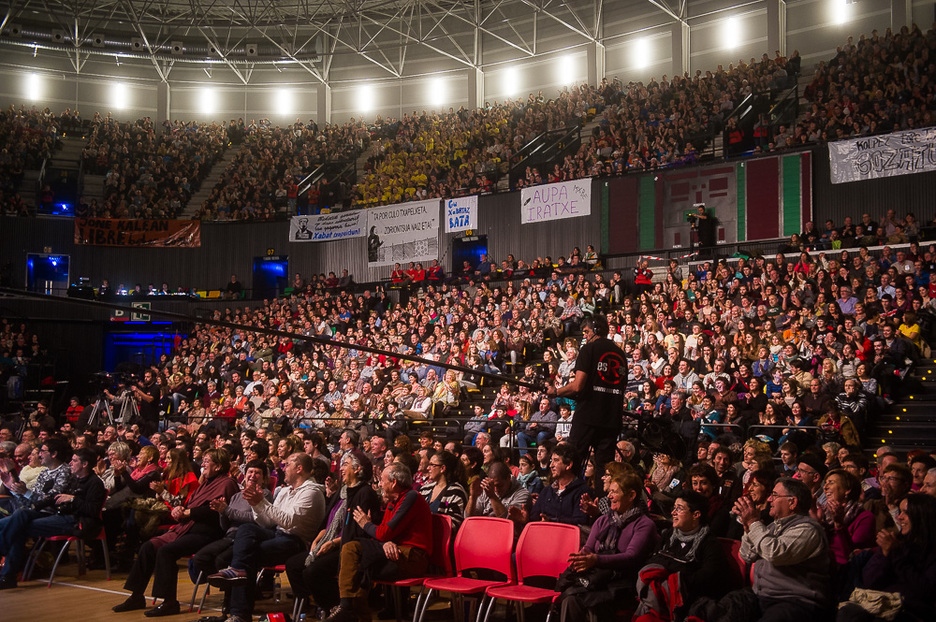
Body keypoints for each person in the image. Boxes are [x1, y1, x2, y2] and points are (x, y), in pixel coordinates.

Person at [113, 448, 239, 616]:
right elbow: (190, 505)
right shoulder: (206, 483)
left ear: (218, 466)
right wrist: (180, 510)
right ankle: (136, 596)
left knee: (166, 551)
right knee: (148, 547)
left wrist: (189, 513)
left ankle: (169, 602)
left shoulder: (227, 483)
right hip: (186, 528)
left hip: (207, 533)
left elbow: (216, 512)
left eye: (207, 461)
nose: (203, 465)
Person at [208, 452, 326, 622]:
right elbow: (266, 522)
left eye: (287, 465)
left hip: (296, 541)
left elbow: (288, 521)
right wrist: (256, 505)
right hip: (276, 534)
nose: (283, 469)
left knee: (244, 557)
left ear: (299, 469)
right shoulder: (285, 491)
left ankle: (239, 614)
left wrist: (261, 502)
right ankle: (238, 602)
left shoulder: (312, 492)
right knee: (247, 529)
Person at [324, 463, 432, 622]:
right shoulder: (393, 502)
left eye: (382, 480)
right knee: (356, 556)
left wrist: (366, 524)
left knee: (357, 556)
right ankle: (353, 612)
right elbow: (383, 535)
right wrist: (383, 542)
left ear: (394, 482)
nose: (379, 484)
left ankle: (349, 610)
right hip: (396, 553)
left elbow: (383, 533)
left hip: (413, 557)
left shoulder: (411, 497)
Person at [285, 450, 381, 618]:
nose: (341, 469)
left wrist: (332, 543)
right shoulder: (342, 491)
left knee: (313, 572)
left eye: (345, 464)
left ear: (357, 469)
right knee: (294, 565)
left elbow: (357, 532)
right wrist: (317, 539)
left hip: (348, 547)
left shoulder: (364, 493)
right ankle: (318, 605)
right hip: (329, 542)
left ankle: (339, 607)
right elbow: (327, 523)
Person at [0, 447, 105, 589]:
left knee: (20, 527)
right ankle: (7, 572)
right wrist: (32, 504)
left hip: (75, 521)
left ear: (85, 464)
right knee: (21, 515)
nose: (70, 464)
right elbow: (53, 499)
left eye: (74, 461)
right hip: (59, 514)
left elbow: (92, 510)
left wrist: (73, 500)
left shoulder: (95, 483)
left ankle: (7, 574)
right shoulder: (74, 480)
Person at [559, 472, 659, 622]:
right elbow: (589, 547)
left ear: (631, 495)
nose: (609, 496)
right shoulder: (603, 520)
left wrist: (595, 560)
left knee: (597, 605)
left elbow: (631, 557)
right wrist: (582, 557)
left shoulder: (644, 524)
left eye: (615, 492)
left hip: (623, 582)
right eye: (610, 491)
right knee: (570, 599)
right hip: (598, 579)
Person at [736, 477, 832, 621]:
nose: (769, 499)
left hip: (795, 600)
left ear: (792, 502)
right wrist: (748, 529)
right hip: (763, 596)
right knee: (725, 608)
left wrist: (753, 523)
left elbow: (774, 553)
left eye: (774, 495)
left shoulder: (808, 530)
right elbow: (747, 555)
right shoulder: (773, 527)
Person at [634, 490, 732, 621]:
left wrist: (672, 579)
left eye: (679, 509)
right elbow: (652, 560)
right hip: (658, 595)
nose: (673, 513)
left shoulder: (709, 543)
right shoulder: (669, 534)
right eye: (674, 508)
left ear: (696, 515)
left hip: (685, 603)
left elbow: (707, 578)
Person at [548, 315, 626, 478]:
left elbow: (577, 386)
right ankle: (601, 500)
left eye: (586, 332)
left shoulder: (588, 350)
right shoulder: (620, 354)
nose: (584, 336)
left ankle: (569, 498)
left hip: (589, 415)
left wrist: (556, 392)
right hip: (611, 418)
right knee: (604, 468)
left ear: (596, 330)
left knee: (573, 460)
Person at [837, 493, 936, 622]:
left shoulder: (930, 551)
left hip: (909, 611)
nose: (899, 517)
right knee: (849, 612)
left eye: (906, 513)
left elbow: (925, 590)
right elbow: (869, 581)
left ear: (920, 516)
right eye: (900, 512)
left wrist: (896, 555)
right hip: (880, 603)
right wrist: (884, 554)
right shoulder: (897, 542)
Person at [419, 450, 468, 531]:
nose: (428, 468)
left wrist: (429, 520)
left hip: (441, 539)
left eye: (432, 465)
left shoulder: (456, 492)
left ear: (442, 468)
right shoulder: (425, 489)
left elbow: (454, 524)